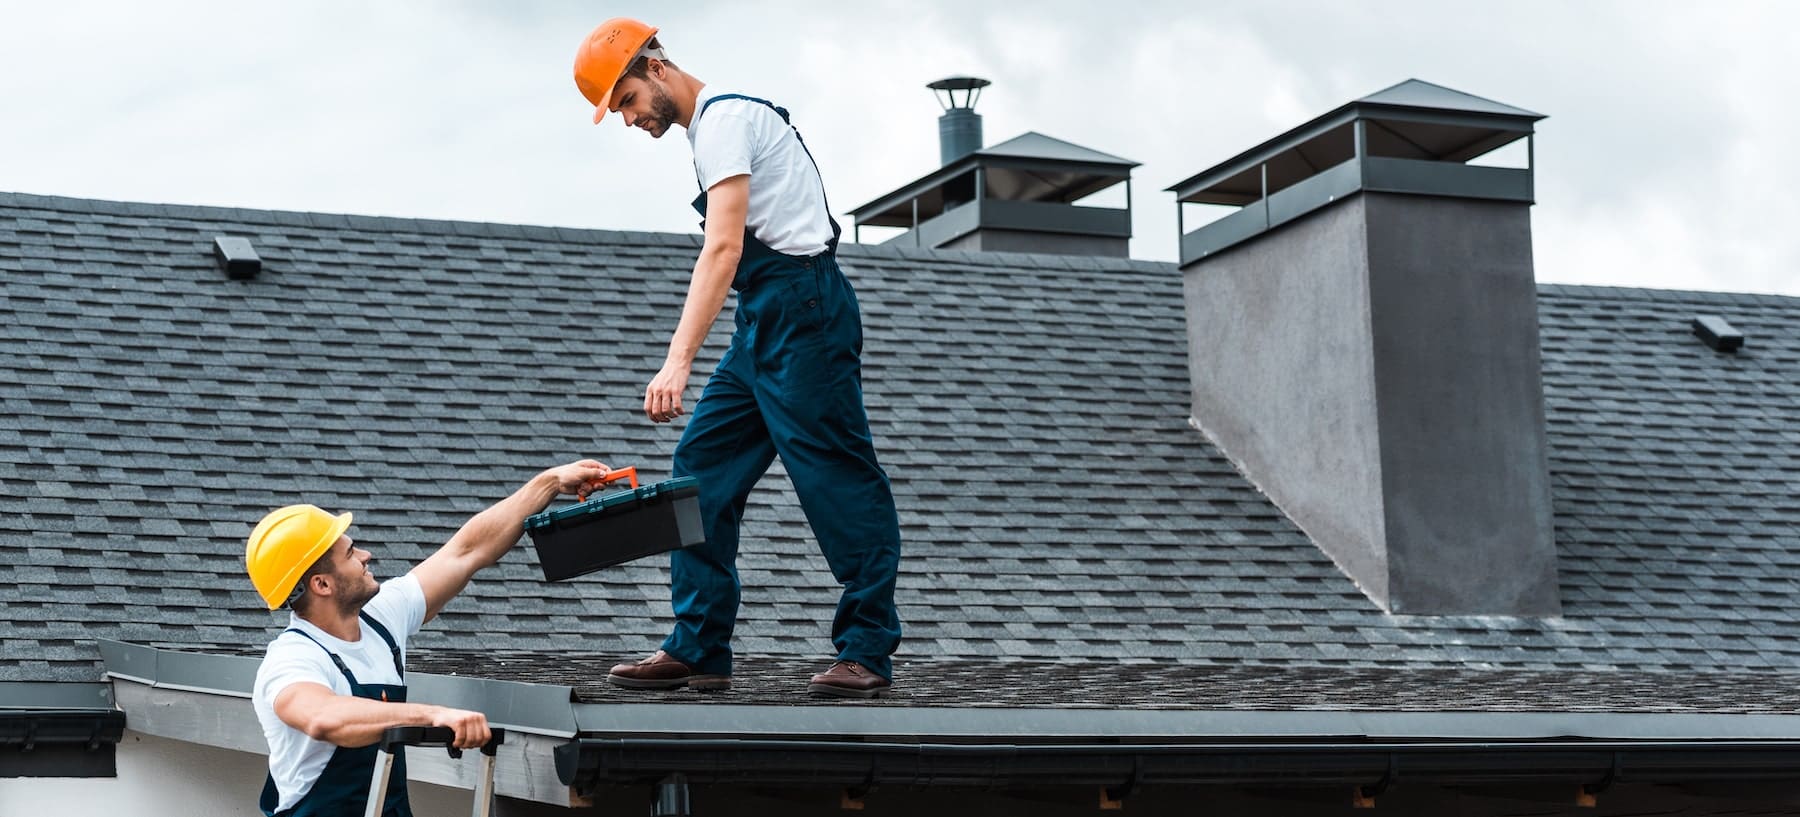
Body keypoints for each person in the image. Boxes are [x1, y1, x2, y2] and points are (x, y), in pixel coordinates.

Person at [572, 18, 902, 698]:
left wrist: (677, 361)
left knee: (836, 477)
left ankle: (867, 649)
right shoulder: (711, 132)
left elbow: (723, 249)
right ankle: (699, 647)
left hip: (804, 313)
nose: (630, 119)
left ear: (656, 68)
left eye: (628, 101)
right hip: (765, 317)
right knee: (701, 469)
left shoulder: (724, 122)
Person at [246, 459, 611, 816]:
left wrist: (549, 482)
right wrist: (433, 714)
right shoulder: (293, 658)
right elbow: (324, 717)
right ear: (322, 584)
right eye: (350, 553)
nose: (366, 555)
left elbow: (467, 551)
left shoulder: (380, 618)